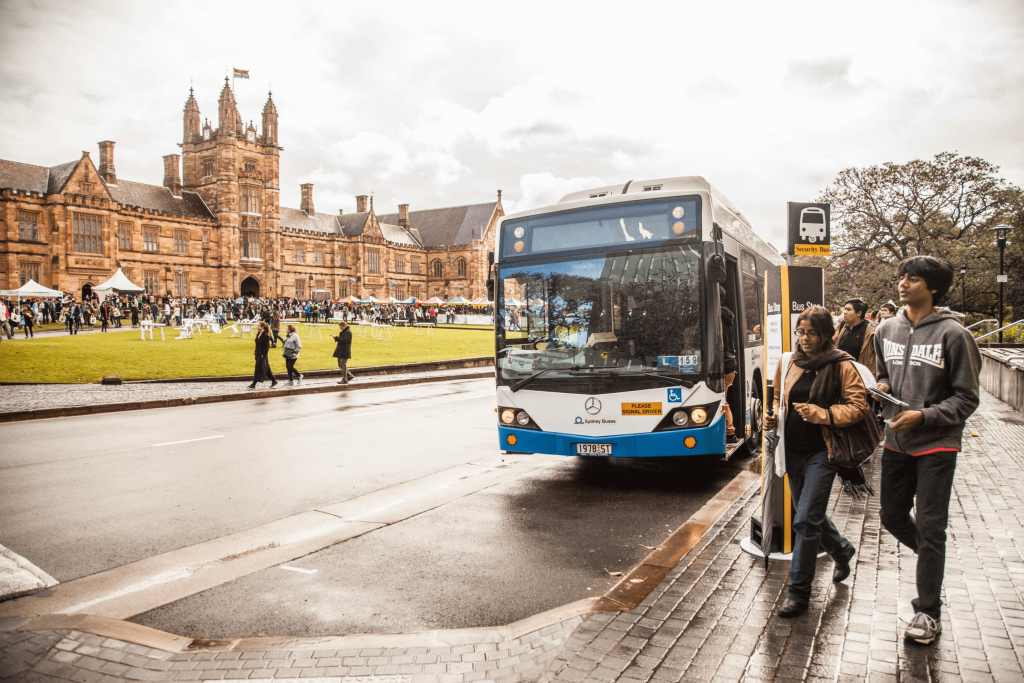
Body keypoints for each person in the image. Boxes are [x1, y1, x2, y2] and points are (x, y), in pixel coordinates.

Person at [873, 256, 981, 645]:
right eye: (901, 277)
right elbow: (882, 371)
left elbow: (967, 398)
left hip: (937, 444)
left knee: (932, 526)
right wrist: (882, 386)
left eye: (913, 278)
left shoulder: (954, 334)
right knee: (891, 516)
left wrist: (925, 416)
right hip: (895, 441)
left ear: (933, 287)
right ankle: (933, 558)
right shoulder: (885, 328)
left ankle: (927, 612)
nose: (903, 284)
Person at [763, 306, 869, 618]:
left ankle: (798, 593)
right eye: (801, 332)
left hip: (824, 451)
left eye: (812, 333)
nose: (805, 339)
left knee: (806, 520)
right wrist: (771, 418)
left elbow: (858, 407)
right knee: (811, 516)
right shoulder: (788, 361)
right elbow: (778, 400)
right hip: (792, 450)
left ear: (826, 335)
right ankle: (841, 549)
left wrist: (821, 414)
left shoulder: (841, 365)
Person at [833, 298, 876, 370]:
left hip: (860, 374)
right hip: (840, 372)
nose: (845, 312)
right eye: (845, 309)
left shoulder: (869, 331)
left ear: (859, 313)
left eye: (848, 310)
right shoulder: (844, 326)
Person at [720, 285, 739, 444]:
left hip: (723, 363)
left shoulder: (715, 315)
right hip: (729, 363)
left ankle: (730, 432)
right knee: (723, 398)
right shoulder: (727, 314)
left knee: (721, 400)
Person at [246, 321, 279, 390]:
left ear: (262, 327)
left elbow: (267, 347)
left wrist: (263, 355)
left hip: (262, 355)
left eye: (258, 326)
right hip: (258, 353)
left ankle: (253, 384)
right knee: (267, 368)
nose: (257, 327)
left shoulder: (265, 336)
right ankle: (274, 381)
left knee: (257, 369)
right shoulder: (258, 334)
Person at [332, 320, 355, 385]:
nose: (340, 328)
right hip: (342, 350)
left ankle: (345, 379)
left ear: (343, 326)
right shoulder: (346, 332)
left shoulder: (348, 332)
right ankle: (349, 376)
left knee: (342, 365)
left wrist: (336, 338)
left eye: (340, 327)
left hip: (344, 350)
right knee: (340, 364)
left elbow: (344, 341)